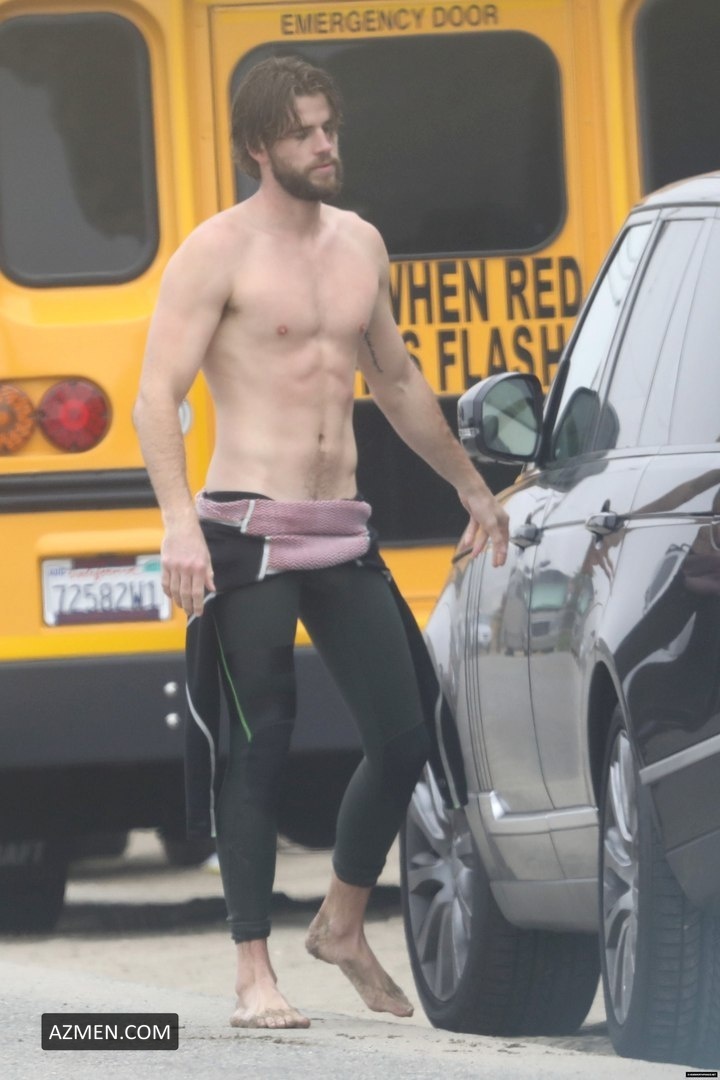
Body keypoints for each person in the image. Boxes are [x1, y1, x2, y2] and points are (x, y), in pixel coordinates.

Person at [133, 55, 509, 1032]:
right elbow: (156, 397)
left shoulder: (361, 244)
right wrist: (178, 524)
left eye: (329, 127)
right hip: (248, 532)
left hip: (340, 528)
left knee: (405, 734)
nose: (325, 144)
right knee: (257, 749)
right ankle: (253, 972)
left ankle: (341, 923)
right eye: (303, 132)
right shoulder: (214, 252)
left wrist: (473, 487)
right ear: (260, 146)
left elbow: (397, 381)